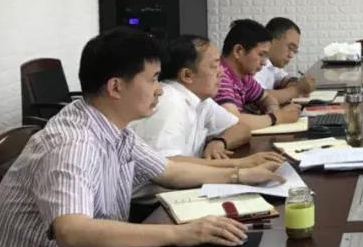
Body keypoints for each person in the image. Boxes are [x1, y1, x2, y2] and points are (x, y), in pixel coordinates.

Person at [0, 28, 285, 247]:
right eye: (152, 80)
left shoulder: (111, 126)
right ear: (115, 87)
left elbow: (170, 171)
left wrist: (240, 173)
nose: (160, 90)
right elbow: (72, 232)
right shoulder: (73, 143)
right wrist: (183, 233)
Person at [130, 34, 282, 169]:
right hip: (159, 192)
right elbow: (168, 164)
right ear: (187, 75)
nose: (222, 72)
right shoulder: (170, 100)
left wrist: (220, 142)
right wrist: (239, 165)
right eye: (215, 65)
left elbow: (241, 127)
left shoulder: (202, 101)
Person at [216, 19, 302, 130]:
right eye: (261, 54)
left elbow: (266, 97)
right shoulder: (219, 77)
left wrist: (273, 109)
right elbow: (233, 121)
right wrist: (276, 117)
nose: (264, 62)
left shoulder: (245, 78)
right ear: (238, 51)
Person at [254, 17, 317, 102]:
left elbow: (285, 79)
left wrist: (297, 84)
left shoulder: (272, 64)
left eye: (294, 51)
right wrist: (297, 89)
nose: (291, 55)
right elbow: (258, 97)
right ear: (271, 41)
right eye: (290, 48)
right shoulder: (256, 65)